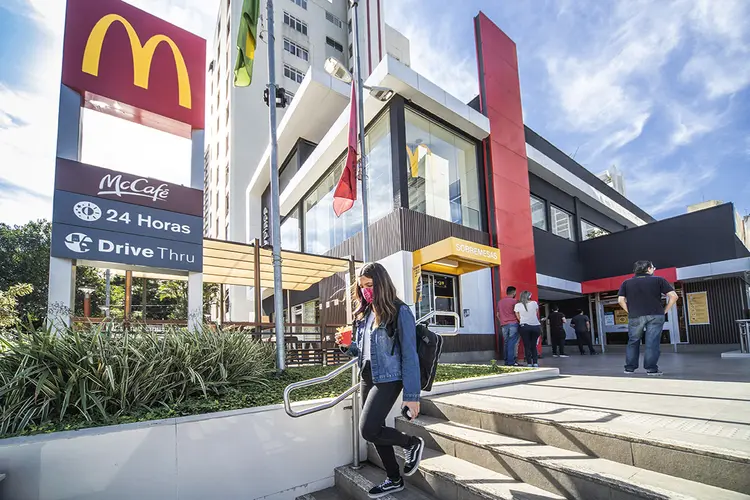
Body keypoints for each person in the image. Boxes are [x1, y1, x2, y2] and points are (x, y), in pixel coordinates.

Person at [335, 262, 424, 498]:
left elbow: (410, 355)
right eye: (362, 286)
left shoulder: (399, 311)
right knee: (377, 429)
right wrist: (346, 346)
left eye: (370, 285)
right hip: (367, 374)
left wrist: (412, 396)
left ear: (381, 283)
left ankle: (411, 443)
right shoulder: (364, 313)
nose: (365, 290)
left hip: (389, 378)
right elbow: (361, 350)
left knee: (368, 430)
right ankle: (394, 478)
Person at [618, 260, 678, 376]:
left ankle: (629, 368)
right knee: (652, 342)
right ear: (649, 269)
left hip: (635, 315)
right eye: (653, 268)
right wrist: (664, 311)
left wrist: (629, 311)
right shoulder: (659, 280)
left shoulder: (626, 283)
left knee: (633, 341)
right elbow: (674, 296)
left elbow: (620, 300)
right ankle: (651, 369)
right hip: (655, 315)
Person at [514, 291, 541, 367]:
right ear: (529, 296)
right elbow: (536, 313)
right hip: (535, 326)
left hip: (524, 326)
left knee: (527, 345)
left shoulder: (517, 305)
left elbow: (518, 316)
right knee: (533, 345)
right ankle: (535, 362)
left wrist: (523, 320)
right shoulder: (534, 303)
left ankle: (529, 363)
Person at [497, 286, 520, 366]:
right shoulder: (515, 301)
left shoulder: (500, 302)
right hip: (513, 324)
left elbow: (498, 314)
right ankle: (511, 361)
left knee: (506, 342)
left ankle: (506, 361)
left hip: (504, 325)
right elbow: (517, 313)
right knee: (512, 343)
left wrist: (502, 322)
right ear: (514, 292)